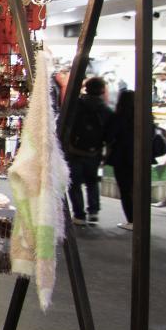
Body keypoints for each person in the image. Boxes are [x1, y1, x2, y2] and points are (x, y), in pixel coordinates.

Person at [62, 76, 113, 226]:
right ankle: (93, 211)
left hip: (74, 150)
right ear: (102, 90)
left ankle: (79, 215)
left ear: (86, 88)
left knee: (74, 183)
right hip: (94, 152)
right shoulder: (106, 110)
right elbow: (109, 135)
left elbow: (66, 125)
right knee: (92, 182)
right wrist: (105, 152)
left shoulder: (76, 105)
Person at [107, 89, 137, 230]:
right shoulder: (144, 116)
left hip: (121, 157)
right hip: (140, 156)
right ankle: (140, 219)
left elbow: (110, 136)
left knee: (125, 189)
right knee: (138, 188)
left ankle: (131, 220)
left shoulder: (118, 117)